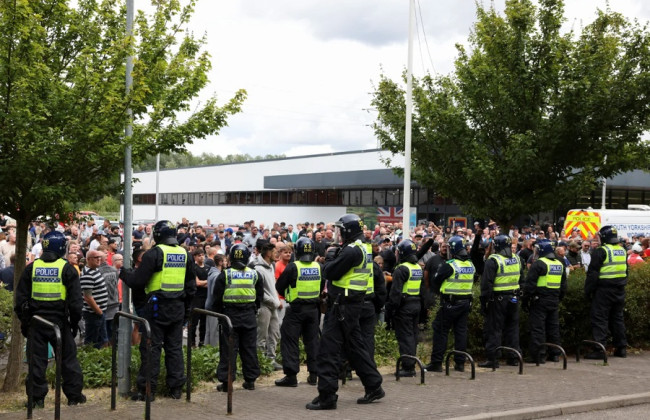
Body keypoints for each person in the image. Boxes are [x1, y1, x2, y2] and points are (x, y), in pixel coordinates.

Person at [306, 214, 384, 410]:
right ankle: (374, 385)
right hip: (351, 305)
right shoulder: (362, 247)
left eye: (341, 230)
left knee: (328, 351)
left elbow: (330, 272)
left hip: (342, 305)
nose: (339, 233)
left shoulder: (350, 251)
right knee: (355, 347)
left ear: (348, 230)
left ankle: (327, 396)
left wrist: (328, 262)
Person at [124, 220, 196, 400]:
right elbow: (191, 287)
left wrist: (124, 273)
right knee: (174, 348)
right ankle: (176, 389)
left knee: (151, 348)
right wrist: (186, 311)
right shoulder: (185, 254)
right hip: (178, 307)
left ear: (156, 235)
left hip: (156, 309)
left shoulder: (154, 254)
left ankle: (148, 391)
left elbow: (138, 282)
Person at [14, 231, 86, 408]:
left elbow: (20, 299)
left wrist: (25, 321)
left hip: (36, 322)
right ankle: (74, 397)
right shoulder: (67, 268)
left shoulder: (32, 268)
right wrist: (75, 323)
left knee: (36, 362)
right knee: (68, 361)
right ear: (62, 248)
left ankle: (36, 399)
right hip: (60, 323)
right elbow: (76, 302)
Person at [209, 243, 263, 391]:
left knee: (228, 349)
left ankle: (227, 383)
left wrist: (220, 315)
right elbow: (259, 297)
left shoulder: (225, 274)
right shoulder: (254, 274)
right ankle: (250, 381)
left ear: (231, 257)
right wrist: (253, 309)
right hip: (249, 316)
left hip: (230, 316)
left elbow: (217, 298)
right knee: (249, 348)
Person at [275, 237, 324, 387]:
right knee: (313, 342)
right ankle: (314, 375)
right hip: (313, 310)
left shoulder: (293, 267)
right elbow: (321, 287)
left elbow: (279, 287)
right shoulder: (319, 266)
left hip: (296, 310)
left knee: (290, 341)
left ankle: (291, 376)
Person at [425, 235, 476, 373]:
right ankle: (459, 363)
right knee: (460, 333)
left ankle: (436, 363)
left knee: (440, 330)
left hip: (449, 303)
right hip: (465, 303)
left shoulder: (450, 265)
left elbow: (435, 281)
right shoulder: (470, 264)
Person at [479, 235, 523, 368]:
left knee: (494, 329)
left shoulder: (493, 260)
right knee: (512, 328)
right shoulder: (517, 258)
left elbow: (486, 285)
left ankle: (493, 359)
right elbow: (522, 279)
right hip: (514, 298)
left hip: (498, 300)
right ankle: (513, 357)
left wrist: (484, 303)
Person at [584, 226, 628, 359]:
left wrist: (587, 291)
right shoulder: (622, 250)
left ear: (603, 237)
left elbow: (593, 274)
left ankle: (599, 350)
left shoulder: (601, 251)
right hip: (619, 290)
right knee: (617, 319)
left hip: (604, 290)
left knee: (600, 319)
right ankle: (621, 348)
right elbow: (626, 272)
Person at [522, 239, 567, 363]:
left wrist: (525, 302)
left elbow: (529, 285)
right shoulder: (560, 262)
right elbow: (564, 285)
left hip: (539, 301)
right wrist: (559, 298)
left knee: (538, 329)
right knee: (553, 328)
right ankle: (555, 354)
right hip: (554, 300)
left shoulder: (539, 264)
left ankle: (539, 356)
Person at [386, 239, 423, 377]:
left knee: (405, 336)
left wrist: (390, 310)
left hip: (404, 306)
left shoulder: (401, 269)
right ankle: (411, 362)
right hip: (416, 303)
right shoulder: (417, 267)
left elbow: (395, 293)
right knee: (413, 335)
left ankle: (408, 367)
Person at [253, 240, 282, 369]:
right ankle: (259, 362)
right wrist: (273, 300)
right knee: (261, 335)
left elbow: (271, 286)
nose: (277, 254)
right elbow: (258, 292)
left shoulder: (271, 266)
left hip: (273, 305)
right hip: (264, 306)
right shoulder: (256, 268)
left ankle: (271, 360)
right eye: (275, 252)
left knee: (274, 333)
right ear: (268, 253)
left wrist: (276, 299)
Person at [80, 249, 109, 349]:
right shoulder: (87, 274)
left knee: (102, 340)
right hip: (93, 314)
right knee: (93, 342)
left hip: (99, 312)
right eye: (96, 258)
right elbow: (88, 297)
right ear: (88, 259)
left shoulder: (95, 270)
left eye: (99, 257)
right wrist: (99, 312)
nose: (99, 260)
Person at [190, 248, 209, 347]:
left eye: (203, 255)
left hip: (206, 298)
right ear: (195, 257)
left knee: (204, 323)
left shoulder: (208, 267)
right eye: (199, 255)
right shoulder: (193, 268)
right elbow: (197, 283)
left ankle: (202, 342)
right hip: (196, 298)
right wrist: (207, 281)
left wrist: (203, 283)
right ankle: (192, 343)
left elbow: (210, 283)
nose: (202, 257)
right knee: (194, 322)